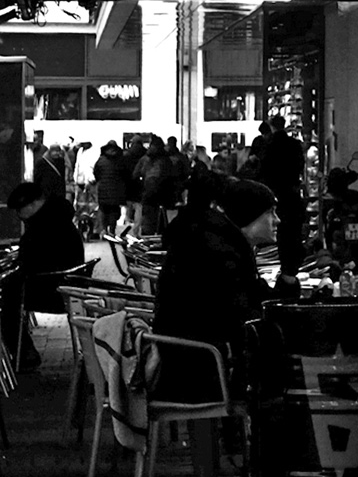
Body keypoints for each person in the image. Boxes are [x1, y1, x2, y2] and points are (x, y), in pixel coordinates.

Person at [153, 174, 277, 399]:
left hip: (188, 359)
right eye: (270, 212)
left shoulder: (219, 241)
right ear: (249, 215)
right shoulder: (217, 251)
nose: (277, 220)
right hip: (198, 370)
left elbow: (250, 300)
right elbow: (237, 315)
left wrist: (287, 281)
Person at [6, 175, 87, 322]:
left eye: (19, 209)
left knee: (4, 292)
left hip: (50, 291)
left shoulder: (42, 227)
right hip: (68, 286)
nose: (18, 215)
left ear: (32, 204)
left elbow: (29, 261)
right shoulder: (59, 216)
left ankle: (16, 338)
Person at [254, 113, 309, 275]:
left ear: (272, 127)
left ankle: (286, 268)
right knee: (294, 232)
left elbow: (263, 171)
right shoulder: (294, 144)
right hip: (293, 194)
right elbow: (300, 166)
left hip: (277, 194)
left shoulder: (269, 146)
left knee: (281, 233)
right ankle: (293, 266)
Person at [92, 139, 130, 235]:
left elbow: (96, 173)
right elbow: (125, 174)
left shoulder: (101, 160)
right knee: (114, 210)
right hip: (116, 189)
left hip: (103, 189)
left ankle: (103, 230)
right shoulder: (120, 160)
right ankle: (112, 230)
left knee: (103, 209)